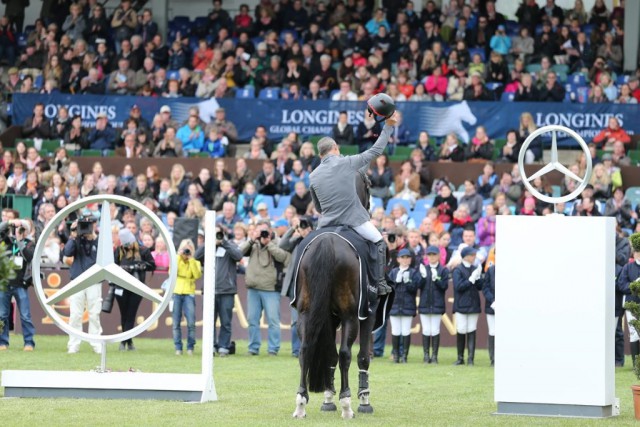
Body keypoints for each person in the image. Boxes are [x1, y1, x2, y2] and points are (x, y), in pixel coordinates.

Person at [309, 93, 397, 296]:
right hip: (353, 220)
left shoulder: (313, 176)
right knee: (379, 243)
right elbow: (375, 151)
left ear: (320, 154)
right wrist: (389, 126)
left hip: (326, 224)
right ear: (335, 148)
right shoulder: (346, 162)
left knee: (306, 248)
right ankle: (381, 283)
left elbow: (318, 208)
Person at [240, 220, 289, 356]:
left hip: (270, 288)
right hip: (253, 288)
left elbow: (283, 257)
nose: (262, 234)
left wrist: (268, 244)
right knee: (252, 320)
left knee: (273, 320)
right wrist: (251, 240)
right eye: (259, 231)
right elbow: (238, 253)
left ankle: (273, 349)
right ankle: (253, 348)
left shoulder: (277, 242)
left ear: (270, 231)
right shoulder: (253, 244)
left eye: (264, 231)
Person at [62, 216, 102, 354]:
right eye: (84, 225)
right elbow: (67, 253)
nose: (86, 228)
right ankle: (73, 344)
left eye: (89, 224)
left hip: (94, 280)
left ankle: (96, 343)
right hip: (78, 279)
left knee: (94, 313)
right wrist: (73, 235)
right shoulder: (76, 239)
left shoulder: (100, 240)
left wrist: (93, 237)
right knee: (75, 314)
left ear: (95, 225)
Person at [113, 229, 156, 351]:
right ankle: (128, 341)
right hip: (121, 286)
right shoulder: (119, 251)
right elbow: (112, 266)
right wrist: (123, 268)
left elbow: (152, 265)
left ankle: (124, 341)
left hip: (137, 286)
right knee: (124, 314)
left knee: (131, 314)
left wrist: (141, 265)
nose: (128, 246)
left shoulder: (143, 250)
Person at [279, 215, 314, 358]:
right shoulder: (297, 241)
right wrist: (294, 228)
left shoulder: (315, 240)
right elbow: (282, 244)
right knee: (296, 320)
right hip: (295, 285)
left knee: (311, 319)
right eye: (302, 227)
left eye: (306, 227)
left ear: (311, 228)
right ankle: (296, 350)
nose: (304, 230)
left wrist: (310, 233)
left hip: (311, 284)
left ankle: (310, 348)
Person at [206, 225, 243, 357]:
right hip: (210, 290)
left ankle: (223, 346)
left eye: (218, 234)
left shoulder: (229, 245)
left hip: (227, 290)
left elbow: (238, 255)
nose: (217, 236)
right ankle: (210, 346)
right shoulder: (208, 246)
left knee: (226, 321)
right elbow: (197, 256)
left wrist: (224, 243)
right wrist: (210, 243)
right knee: (210, 321)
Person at [0, 220, 36, 351]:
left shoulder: (29, 243)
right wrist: (9, 223)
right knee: (2, 315)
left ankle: (29, 342)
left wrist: (20, 240)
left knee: (25, 315)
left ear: (26, 231)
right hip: (4, 283)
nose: (19, 230)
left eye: (22, 229)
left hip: (21, 283)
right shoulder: (6, 241)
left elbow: (29, 256)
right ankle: (2, 342)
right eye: (18, 229)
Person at [388, 248, 422, 363]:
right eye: (402, 257)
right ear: (398, 259)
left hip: (408, 305)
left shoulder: (413, 272)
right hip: (394, 306)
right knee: (395, 331)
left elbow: (414, 289)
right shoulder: (393, 272)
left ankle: (404, 356)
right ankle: (396, 355)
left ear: (410, 259)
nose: (405, 260)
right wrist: (395, 283)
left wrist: (408, 282)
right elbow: (389, 289)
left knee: (406, 331)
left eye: (407, 258)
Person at [418, 245, 449, 364]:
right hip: (425, 304)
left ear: (438, 256)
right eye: (429, 255)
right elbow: (418, 286)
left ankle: (434, 356)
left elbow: (444, 286)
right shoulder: (423, 269)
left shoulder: (443, 270)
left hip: (437, 304)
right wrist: (423, 278)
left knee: (435, 330)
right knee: (426, 330)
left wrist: (437, 279)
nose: (432, 257)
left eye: (434, 255)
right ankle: (426, 356)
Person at [452, 246, 483, 366]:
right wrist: (470, 280)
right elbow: (458, 287)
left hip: (473, 303)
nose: (474, 257)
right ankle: (460, 357)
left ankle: (471, 358)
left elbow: (479, 286)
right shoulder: (458, 270)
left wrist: (478, 277)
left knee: (471, 330)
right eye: (472, 255)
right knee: (461, 329)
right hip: (461, 304)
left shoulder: (475, 268)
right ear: (465, 256)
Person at [173, 239, 202, 356]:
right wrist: (179, 256)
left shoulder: (195, 262)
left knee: (191, 322)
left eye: (188, 250)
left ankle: (190, 347)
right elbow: (172, 271)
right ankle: (178, 347)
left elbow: (197, 275)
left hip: (189, 292)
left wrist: (191, 260)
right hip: (177, 292)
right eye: (184, 249)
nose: (186, 252)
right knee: (176, 323)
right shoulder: (176, 259)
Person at [483, 264, 496, 366]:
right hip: (492, 305)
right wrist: (492, 300)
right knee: (493, 331)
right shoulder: (490, 270)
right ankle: (493, 358)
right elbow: (485, 288)